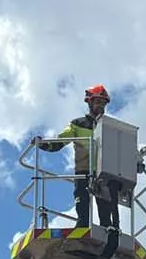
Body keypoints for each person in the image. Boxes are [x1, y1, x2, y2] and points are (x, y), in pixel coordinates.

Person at [38, 83, 121, 231]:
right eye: (98, 102)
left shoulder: (109, 127)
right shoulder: (78, 124)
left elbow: (120, 148)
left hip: (104, 172)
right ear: (89, 102)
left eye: (103, 103)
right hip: (84, 170)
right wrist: (45, 144)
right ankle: (82, 226)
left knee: (106, 213)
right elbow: (60, 141)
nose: (101, 106)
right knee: (82, 202)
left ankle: (108, 231)